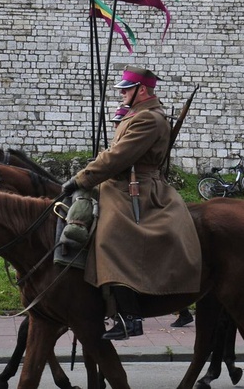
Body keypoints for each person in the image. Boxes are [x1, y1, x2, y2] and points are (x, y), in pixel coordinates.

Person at [61, 65, 202, 341]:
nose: (123, 92)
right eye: (123, 88)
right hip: (119, 185)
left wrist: (81, 179)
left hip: (138, 189)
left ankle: (130, 316)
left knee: (109, 236)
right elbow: (114, 153)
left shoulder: (148, 119)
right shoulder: (137, 115)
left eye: (127, 88)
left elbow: (118, 157)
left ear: (143, 90)